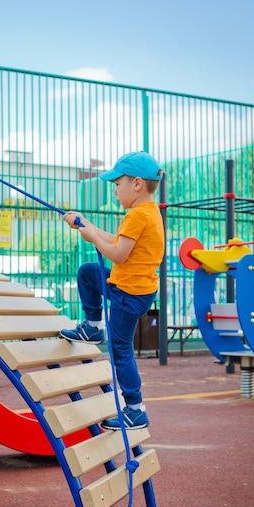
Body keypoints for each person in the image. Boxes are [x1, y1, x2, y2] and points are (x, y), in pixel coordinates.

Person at [60, 151, 164, 430]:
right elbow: (119, 242)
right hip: (131, 287)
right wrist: (88, 226)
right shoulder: (147, 213)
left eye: (118, 185)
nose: (115, 191)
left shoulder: (137, 216)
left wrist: (92, 235)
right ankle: (93, 326)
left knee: (120, 350)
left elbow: (117, 254)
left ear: (137, 184)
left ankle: (135, 409)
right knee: (89, 273)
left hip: (128, 294)